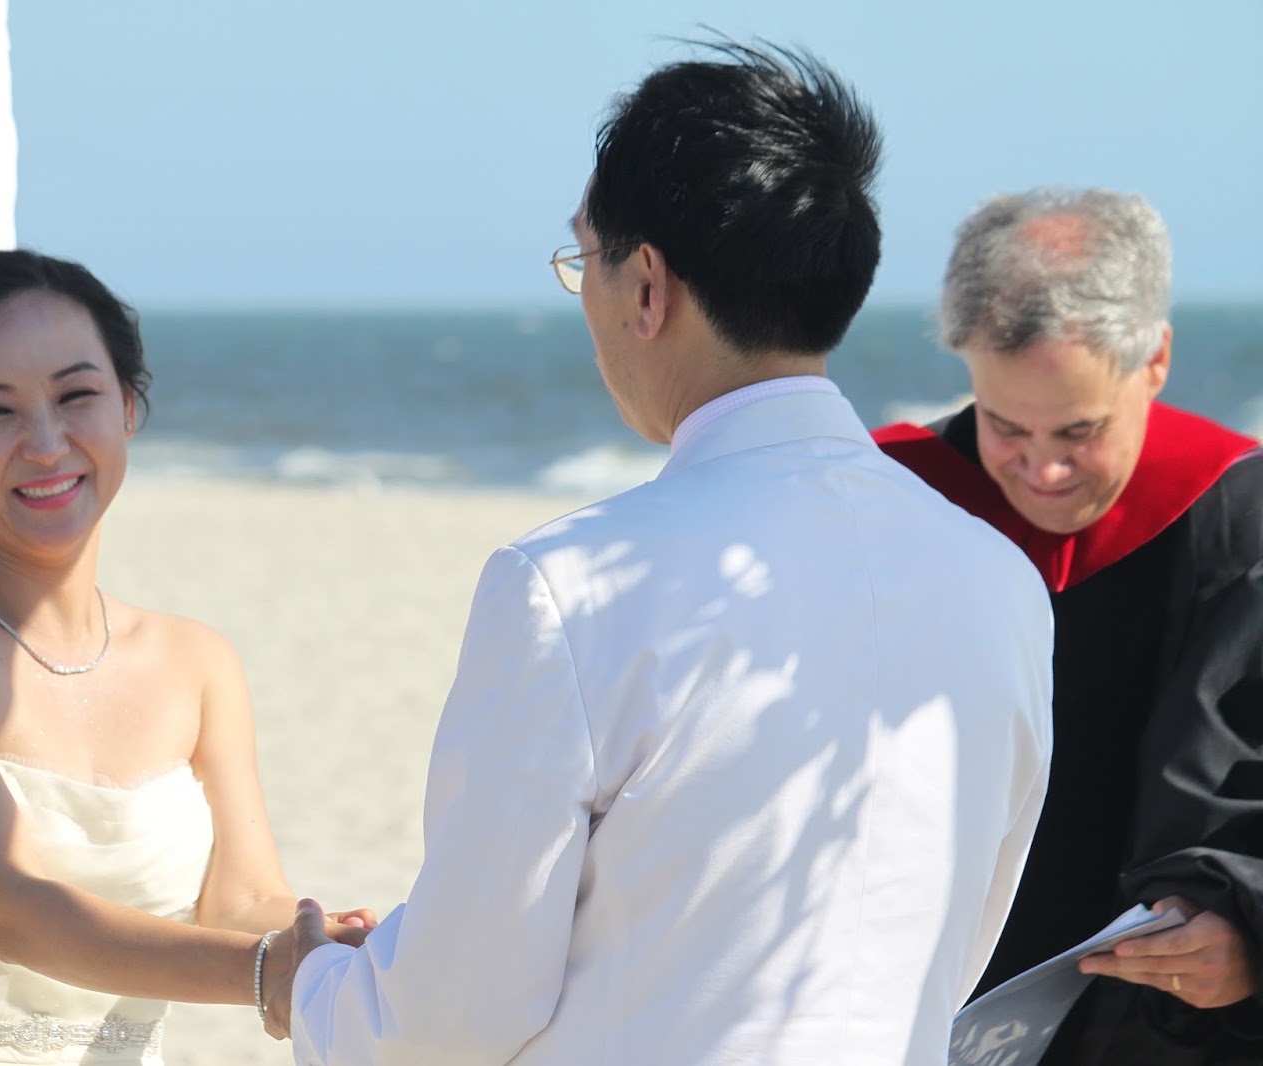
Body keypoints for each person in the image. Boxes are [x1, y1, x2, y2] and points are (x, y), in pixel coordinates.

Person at [260, 41, 1055, 1066]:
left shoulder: (569, 584)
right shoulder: (998, 577)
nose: (584, 299)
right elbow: (957, 945)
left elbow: (455, 1016)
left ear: (646, 286)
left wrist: (311, 982)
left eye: (581, 260)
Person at [0, 249, 375, 1064]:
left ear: (128, 409)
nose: (46, 442)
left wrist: (334, 940)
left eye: (77, 396)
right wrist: (263, 972)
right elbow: (11, 909)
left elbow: (240, 900)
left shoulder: (198, 662)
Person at [874, 188, 1263, 1064]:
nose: (1042, 470)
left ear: (1154, 359)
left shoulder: (1243, 522)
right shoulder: (892, 503)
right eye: (1005, 425)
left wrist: (1248, 936)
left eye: (1080, 430)